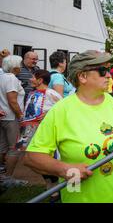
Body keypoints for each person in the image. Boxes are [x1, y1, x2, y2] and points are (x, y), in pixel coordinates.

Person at [23, 50, 113, 203]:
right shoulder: (61, 110)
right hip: (80, 198)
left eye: (108, 70)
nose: (109, 75)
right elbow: (32, 157)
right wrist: (65, 169)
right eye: (102, 71)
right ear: (82, 76)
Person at [18, 69, 62, 200]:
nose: (30, 79)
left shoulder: (51, 93)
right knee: (31, 159)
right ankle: (51, 184)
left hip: (43, 132)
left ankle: (53, 187)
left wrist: (48, 114)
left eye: (33, 77)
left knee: (44, 158)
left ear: (40, 80)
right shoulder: (33, 93)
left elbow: (63, 107)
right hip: (30, 130)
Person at [0, 55, 27, 188]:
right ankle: (8, 178)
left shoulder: (2, 76)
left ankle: (2, 176)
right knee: (14, 148)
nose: (21, 67)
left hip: (3, 116)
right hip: (12, 117)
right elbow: (12, 100)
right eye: (20, 64)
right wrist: (21, 115)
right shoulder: (11, 78)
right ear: (15, 66)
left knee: (3, 146)